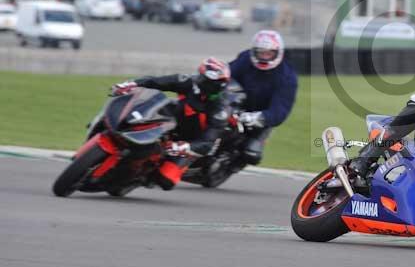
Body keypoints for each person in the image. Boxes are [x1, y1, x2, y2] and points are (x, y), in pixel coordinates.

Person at [110, 57, 232, 190]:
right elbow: (156, 81)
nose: (202, 82)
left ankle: (139, 179)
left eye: (215, 83)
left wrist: (184, 147)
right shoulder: (188, 81)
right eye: (203, 78)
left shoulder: (220, 110)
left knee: (166, 180)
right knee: (141, 111)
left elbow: (208, 143)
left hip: (187, 142)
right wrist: (132, 84)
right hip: (169, 122)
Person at [229, 30, 298, 165]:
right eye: (261, 52)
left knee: (251, 153)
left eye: (269, 53)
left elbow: (279, 111)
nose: (264, 57)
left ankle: (230, 166)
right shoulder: (245, 59)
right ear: (254, 51)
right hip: (234, 104)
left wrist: (258, 117)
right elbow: (227, 74)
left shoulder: (287, 77)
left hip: (260, 117)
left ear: (278, 53)